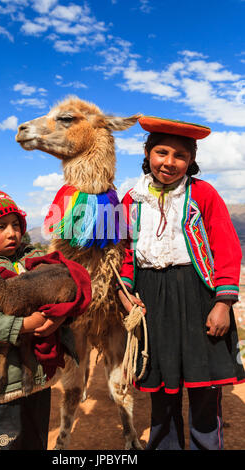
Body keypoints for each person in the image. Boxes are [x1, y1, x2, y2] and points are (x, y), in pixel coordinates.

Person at [117, 116, 245, 450]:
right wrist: (125, 294)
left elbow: (226, 246)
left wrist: (223, 303)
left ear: (191, 160)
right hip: (151, 300)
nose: (169, 162)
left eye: (180, 156)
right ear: (147, 152)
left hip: (198, 295)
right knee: (161, 389)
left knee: (205, 390)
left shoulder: (203, 193)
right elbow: (122, 254)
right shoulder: (130, 199)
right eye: (161, 152)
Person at [0, 183, 91, 450]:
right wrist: (24, 324)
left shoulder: (35, 259)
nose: (12, 233)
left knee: (36, 442)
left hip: (38, 379)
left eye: (15, 224)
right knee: (6, 445)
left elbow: (65, 293)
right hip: (0, 387)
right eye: (0, 227)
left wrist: (58, 319)